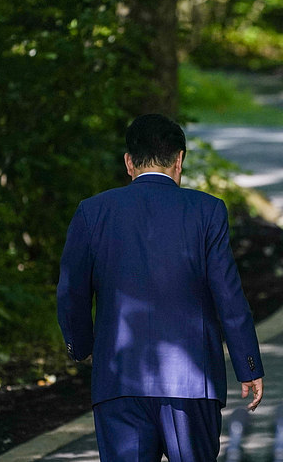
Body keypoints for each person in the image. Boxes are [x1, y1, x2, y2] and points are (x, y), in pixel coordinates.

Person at [57, 113, 264, 462]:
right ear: (179, 159)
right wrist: (249, 366)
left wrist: (81, 346)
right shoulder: (207, 211)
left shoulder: (92, 212)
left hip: (119, 379)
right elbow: (228, 296)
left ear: (129, 162)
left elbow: (71, 292)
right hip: (191, 383)